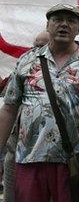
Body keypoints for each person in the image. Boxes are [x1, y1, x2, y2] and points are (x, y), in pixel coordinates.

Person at [0, 4, 79, 202]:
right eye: (57, 19)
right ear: (48, 25)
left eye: (71, 21)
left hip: (74, 159)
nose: (64, 24)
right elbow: (9, 109)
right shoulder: (27, 60)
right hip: (30, 157)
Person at [0, 31, 49, 202]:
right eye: (36, 45)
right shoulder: (23, 66)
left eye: (42, 45)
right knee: (12, 196)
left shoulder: (63, 74)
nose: (37, 49)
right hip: (16, 149)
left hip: (47, 157)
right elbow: (8, 106)